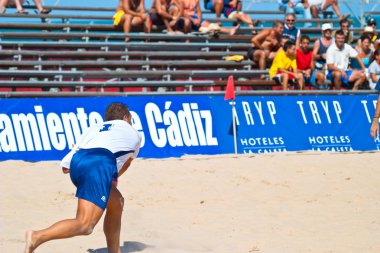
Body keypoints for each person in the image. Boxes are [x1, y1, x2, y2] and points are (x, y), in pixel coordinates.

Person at [24, 103, 142, 253]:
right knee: (85, 225)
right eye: (131, 119)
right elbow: (126, 163)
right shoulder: (135, 133)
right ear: (126, 117)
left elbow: (65, 168)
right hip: (99, 163)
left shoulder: (93, 129)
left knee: (117, 201)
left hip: (78, 163)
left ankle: (114, 251)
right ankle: (37, 237)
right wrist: (108, 177)